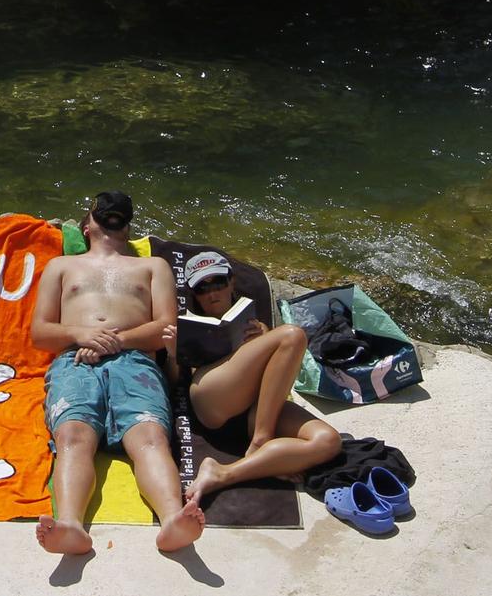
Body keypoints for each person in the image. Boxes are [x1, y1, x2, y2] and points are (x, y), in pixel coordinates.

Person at [29, 191, 206, 556]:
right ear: (87, 223)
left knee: (151, 437)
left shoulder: (152, 267)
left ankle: (173, 519)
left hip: (136, 361)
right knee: (74, 438)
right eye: (105, 214)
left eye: (119, 217)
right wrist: (83, 334)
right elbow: (40, 333)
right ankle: (71, 525)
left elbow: (166, 328)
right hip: (75, 359)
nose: (112, 222)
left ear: (127, 227)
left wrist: (114, 341)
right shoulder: (62, 266)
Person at [177, 250, 342, 502]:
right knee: (292, 335)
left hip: (257, 406)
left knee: (328, 442)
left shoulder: (249, 316)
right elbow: (173, 381)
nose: (212, 294)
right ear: (193, 294)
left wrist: (264, 337)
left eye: (218, 283)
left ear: (231, 282)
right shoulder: (187, 322)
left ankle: (223, 473)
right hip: (211, 400)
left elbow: (278, 367)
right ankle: (261, 440)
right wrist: (170, 351)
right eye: (202, 288)